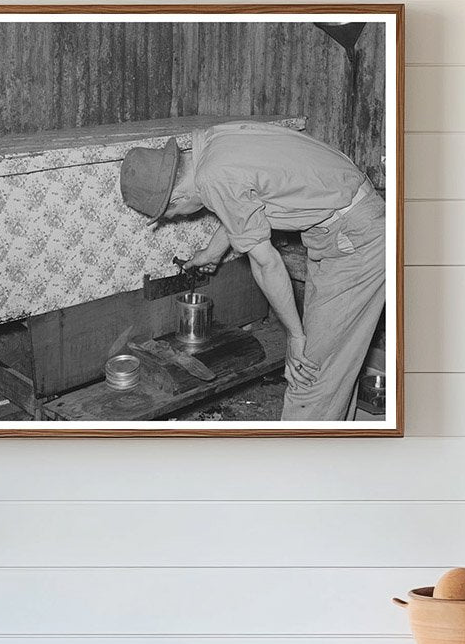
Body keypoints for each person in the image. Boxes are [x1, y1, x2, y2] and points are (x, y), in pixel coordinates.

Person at [119, 121, 386, 421]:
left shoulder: (213, 179)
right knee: (334, 365)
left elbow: (266, 262)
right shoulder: (210, 144)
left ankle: (297, 465)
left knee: (308, 372)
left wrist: (294, 337)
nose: (178, 217)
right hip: (343, 226)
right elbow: (245, 201)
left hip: (355, 237)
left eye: (173, 215)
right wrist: (213, 251)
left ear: (177, 200)